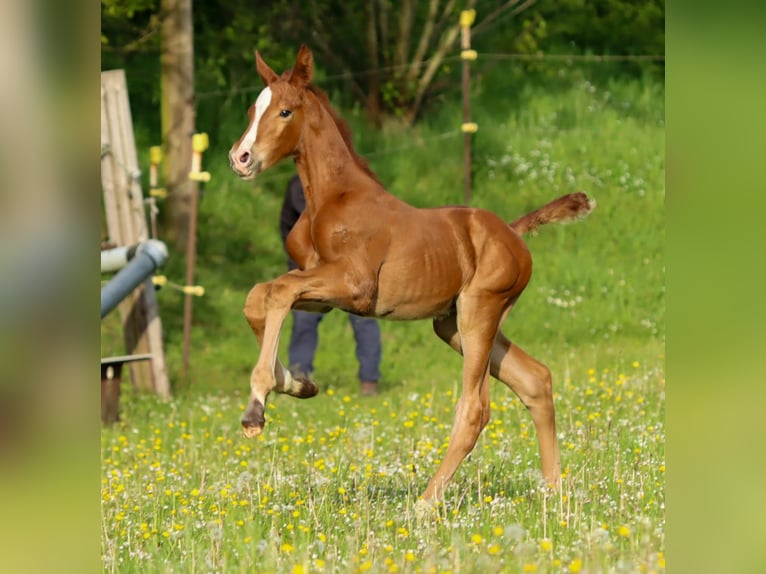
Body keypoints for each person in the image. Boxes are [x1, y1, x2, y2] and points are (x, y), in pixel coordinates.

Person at [280, 175, 382, 396]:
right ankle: (299, 379)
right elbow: (288, 229)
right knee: (304, 322)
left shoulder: (356, 185)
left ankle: (369, 382)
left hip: (352, 271)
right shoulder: (297, 186)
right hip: (313, 271)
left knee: (364, 322)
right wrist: (299, 269)